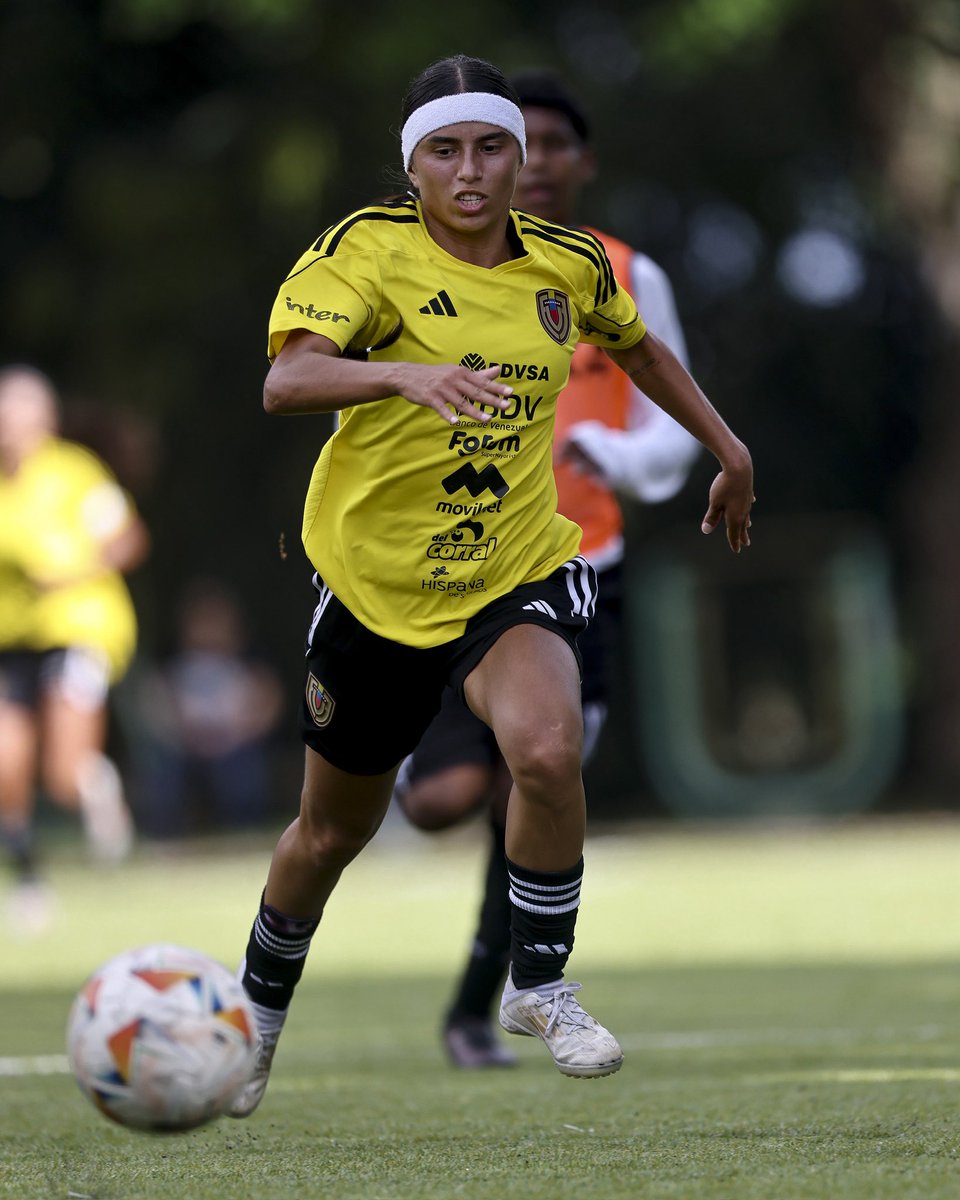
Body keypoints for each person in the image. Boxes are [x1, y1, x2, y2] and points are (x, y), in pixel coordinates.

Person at [228, 53, 753, 1118]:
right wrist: (401, 372)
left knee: (550, 752)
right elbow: (287, 378)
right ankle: (253, 1023)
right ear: (412, 167)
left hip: (514, 563)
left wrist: (727, 451)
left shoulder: (568, 264)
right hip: (376, 587)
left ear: (521, 159)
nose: (471, 171)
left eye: (492, 147)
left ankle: (541, 985)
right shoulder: (363, 253)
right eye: (446, 151)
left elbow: (641, 352)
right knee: (331, 833)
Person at [393, 70, 702, 1068]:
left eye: (554, 142)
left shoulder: (617, 272)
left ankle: (480, 1009)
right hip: (449, 573)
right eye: (507, 142)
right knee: (443, 799)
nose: (533, 162)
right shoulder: (419, 266)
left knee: (529, 786)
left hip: (579, 576)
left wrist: (608, 456)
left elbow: (670, 426)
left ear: (576, 160)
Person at [0, 365, 149, 929]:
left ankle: (94, 785)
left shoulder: (73, 473)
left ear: (45, 418)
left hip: (79, 628)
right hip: (12, 638)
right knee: (6, 759)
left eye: (19, 410)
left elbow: (129, 539)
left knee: (62, 775)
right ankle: (28, 878)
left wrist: (75, 572)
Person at [133, 577, 284, 838]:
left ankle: (245, 833)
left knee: (244, 774)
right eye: (202, 621)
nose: (209, 630)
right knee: (162, 772)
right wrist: (182, 735)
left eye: (217, 621)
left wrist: (238, 733)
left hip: (235, 743)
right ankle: (165, 837)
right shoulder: (173, 666)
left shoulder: (249, 667)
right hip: (184, 745)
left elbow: (269, 704)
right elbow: (156, 709)